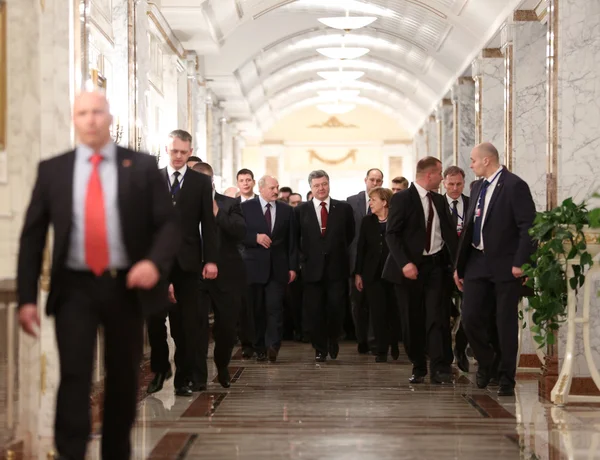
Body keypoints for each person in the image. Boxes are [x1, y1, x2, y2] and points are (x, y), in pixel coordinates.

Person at [16, 91, 179, 460]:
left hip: (125, 286)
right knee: (74, 374)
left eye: (97, 112)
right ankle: (71, 452)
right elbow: (32, 237)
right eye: (82, 113)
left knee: (122, 376)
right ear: (74, 120)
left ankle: (115, 452)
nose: (90, 119)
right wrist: (26, 298)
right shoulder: (53, 169)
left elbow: (168, 225)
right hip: (74, 287)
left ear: (109, 118)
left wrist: (153, 262)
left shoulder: (140, 166)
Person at [454, 142, 536, 397]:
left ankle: (506, 379)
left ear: (487, 160)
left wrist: (521, 262)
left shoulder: (514, 185)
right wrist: (460, 267)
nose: (471, 165)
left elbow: (528, 228)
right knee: (469, 318)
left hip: (506, 265)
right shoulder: (477, 186)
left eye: (473, 160)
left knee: (504, 323)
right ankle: (487, 361)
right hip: (477, 262)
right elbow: (469, 228)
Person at [146, 129, 219, 397]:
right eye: (174, 150)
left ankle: (185, 378)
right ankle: (160, 368)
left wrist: (210, 259)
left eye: (183, 152)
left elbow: (208, 225)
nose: (178, 156)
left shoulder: (200, 183)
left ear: (190, 152)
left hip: (188, 262)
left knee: (187, 324)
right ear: (166, 150)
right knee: (154, 318)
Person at [383, 156, 458, 384]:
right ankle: (418, 365)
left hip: (435, 266)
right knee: (412, 319)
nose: (443, 178)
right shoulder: (403, 199)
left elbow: (449, 236)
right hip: (409, 269)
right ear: (429, 175)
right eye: (440, 173)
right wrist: (405, 263)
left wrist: (458, 266)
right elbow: (392, 234)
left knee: (437, 317)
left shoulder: (439, 200)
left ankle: (439, 368)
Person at [192, 162, 246, 388]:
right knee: (196, 325)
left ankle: (222, 365)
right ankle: (198, 378)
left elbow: (239, 231)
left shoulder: (230, 203)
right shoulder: (183, 205)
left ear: (211, 182)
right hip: (195, 274)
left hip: (226, 274)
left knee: (226, 327)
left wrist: (216, 211)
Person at [295, 170, 354, 362]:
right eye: (317, 185)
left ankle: (333, 339)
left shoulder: (343, 208)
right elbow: (296, 239)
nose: (321, 188)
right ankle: (319, 347)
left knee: (336, 307)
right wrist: (302, 261)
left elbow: (350, 234)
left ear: (329, 184)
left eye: (324, 184)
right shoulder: (301, 210)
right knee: (315, 310)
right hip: (312, 269)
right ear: (310, 188)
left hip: (337, 267)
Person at [241, 176, 298, 362]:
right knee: (256, 310)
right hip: (253, 267)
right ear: (261, 188)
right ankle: (259, 347)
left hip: (278, 268)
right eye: (272, 188)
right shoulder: (245, 208)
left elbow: (292, 241)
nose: (276, 191)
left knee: (275, 308)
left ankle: (273, 345)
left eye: (277, 187)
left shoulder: (286, 210)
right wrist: (254, 238)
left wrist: (292, 267)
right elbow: (237, 233)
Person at [354, 187, 400, 362]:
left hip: (394, 272)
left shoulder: (396, 220)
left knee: (394, 310)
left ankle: (394, 344)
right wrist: (358, 273)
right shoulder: (367, 221)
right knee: (377, 312)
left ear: (384, 202)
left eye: (373, 200)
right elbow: (361, 248)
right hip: (372, 274)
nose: (370, 203)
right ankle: (381, 350)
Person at [347, 168, 384, 354]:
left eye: (378, 180)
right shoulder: (351, 201)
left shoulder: (386, 202)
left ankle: (374, 340)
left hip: (376, 262)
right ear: (365, 180)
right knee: (357, 303)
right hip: (355, 260)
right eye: (372, 179)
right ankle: (361, 338)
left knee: (375, 303)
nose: (375, 183)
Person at [442, 166, 470, 372]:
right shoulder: (436, 204)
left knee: (469, 312)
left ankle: (460, 348)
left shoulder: (471, 203)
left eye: (458, 184)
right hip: (441, 266)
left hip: (467, 266)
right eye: (451, 184)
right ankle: (443, 354)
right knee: (441, 313)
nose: (454, 188)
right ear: (444, 183)